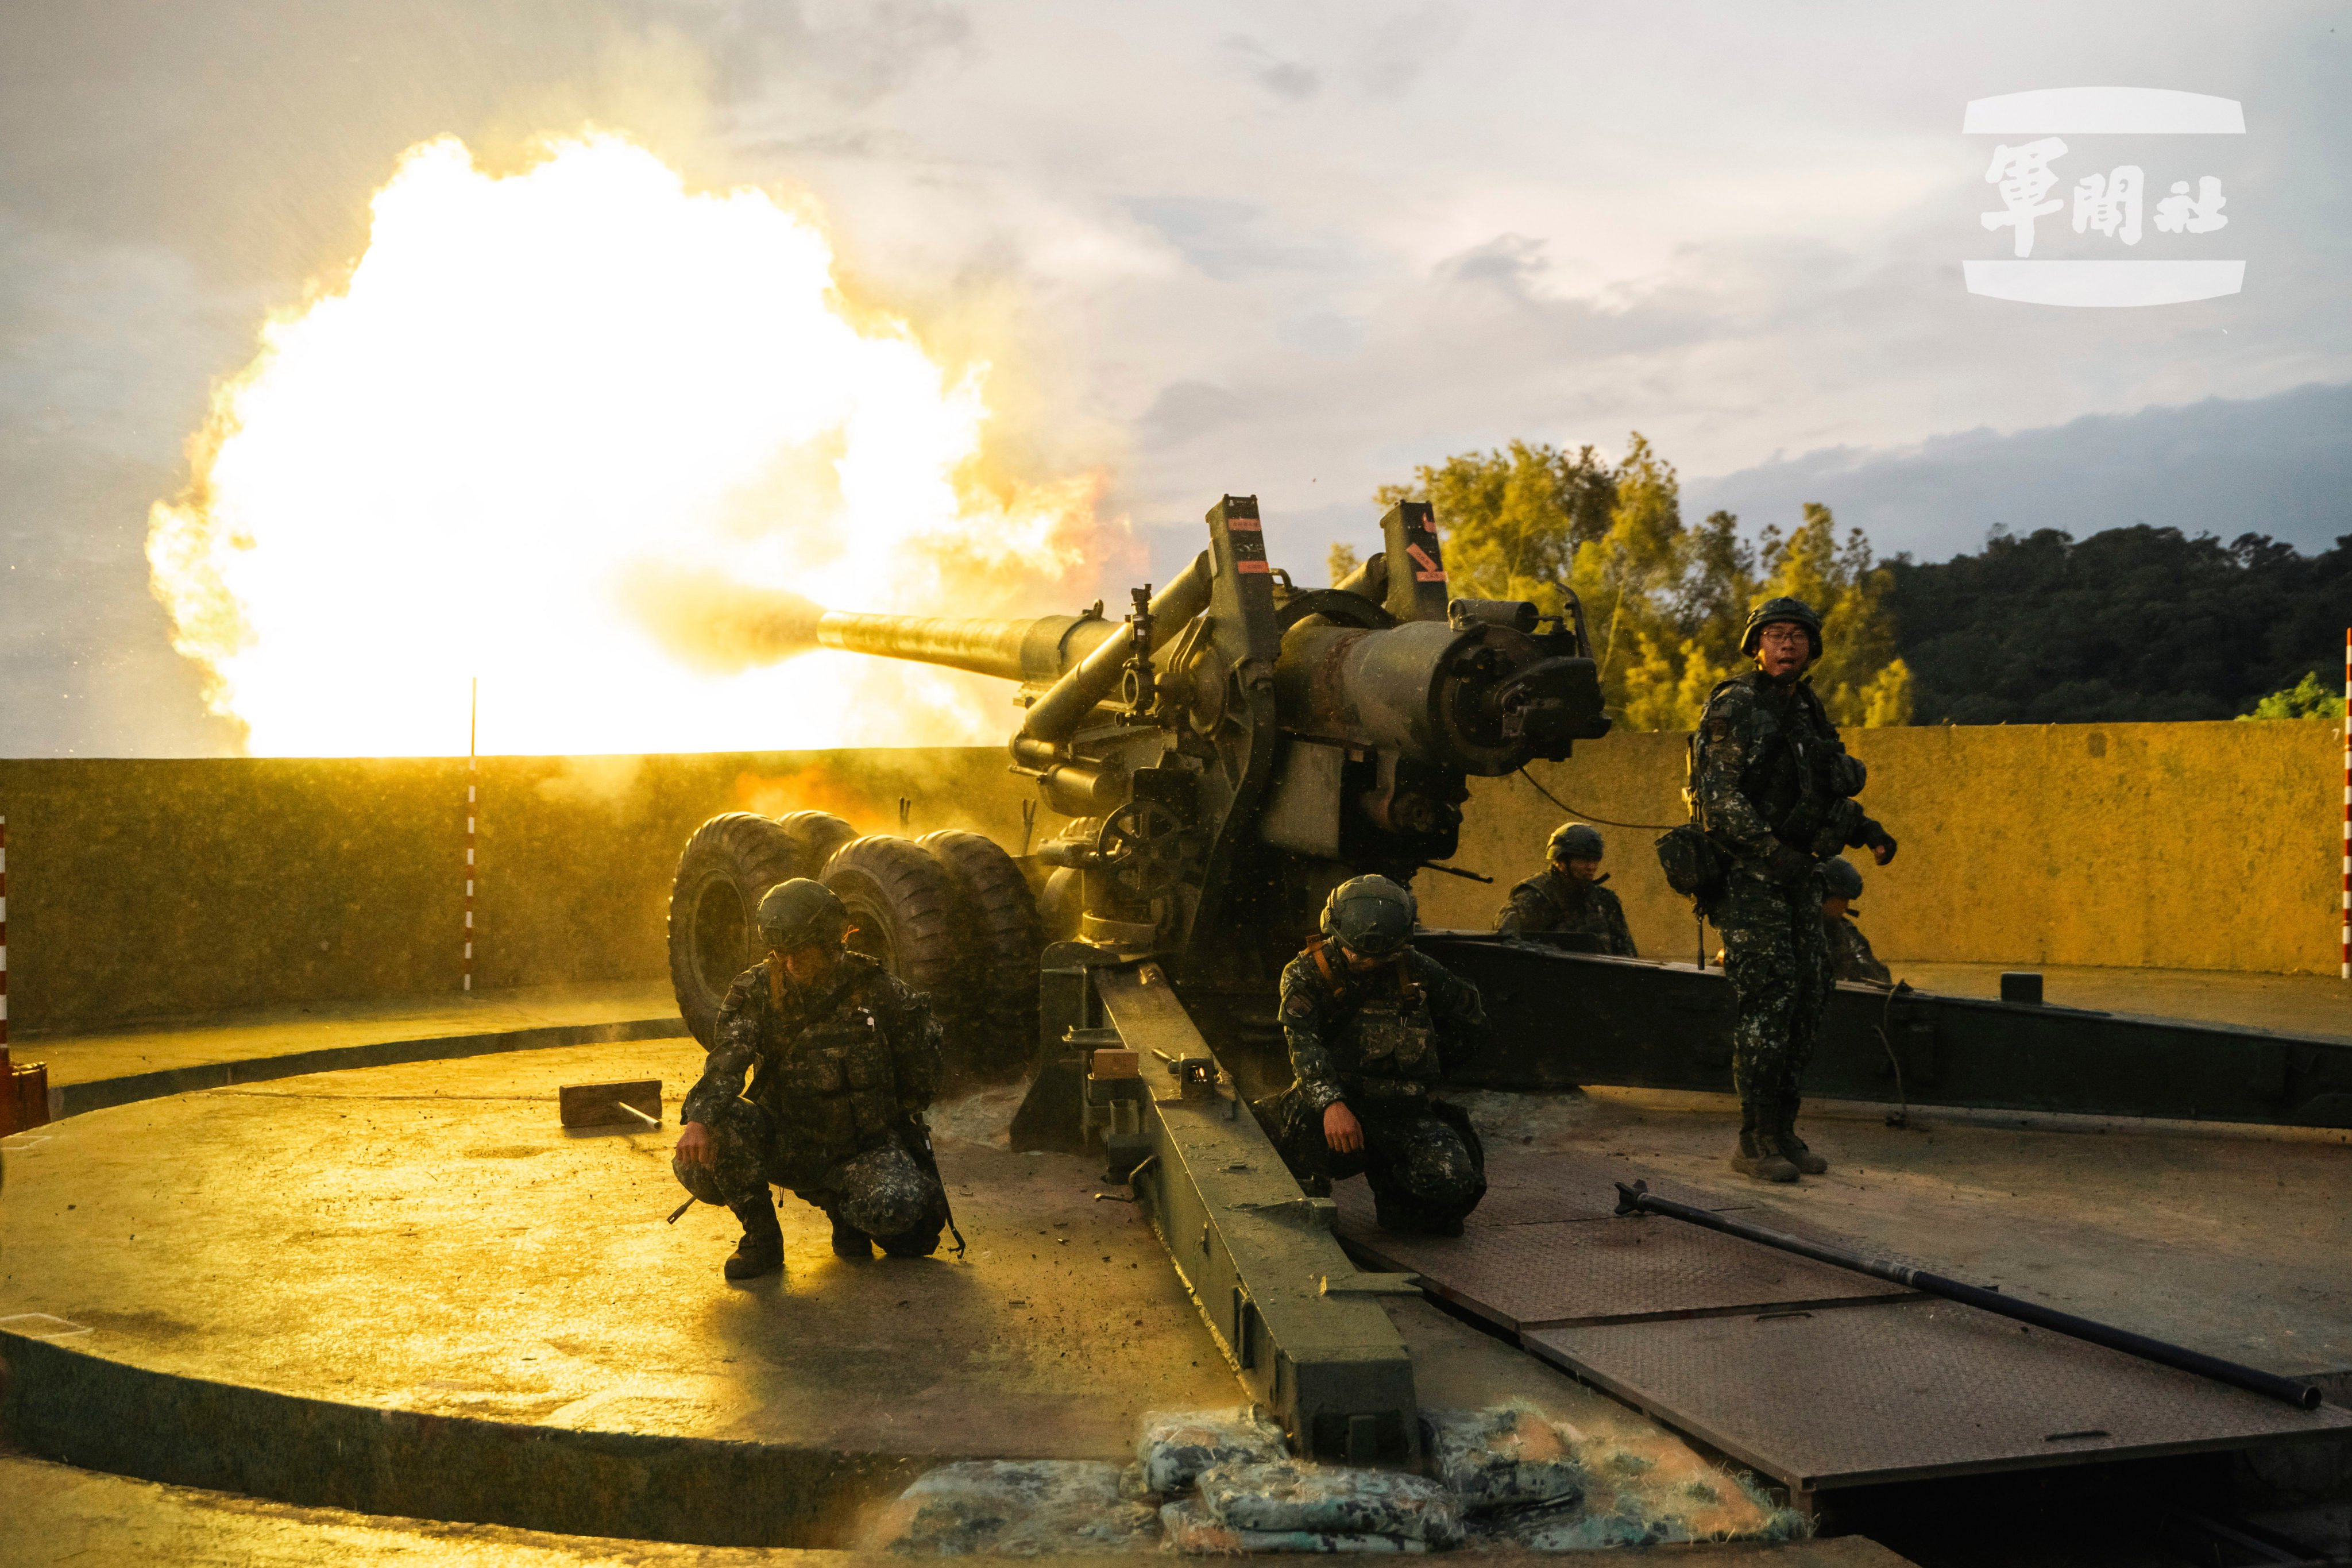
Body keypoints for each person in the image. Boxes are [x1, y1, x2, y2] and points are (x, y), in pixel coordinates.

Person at [1690, 596, 1897, 1183]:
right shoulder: (1736, 705)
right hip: (1752, 879)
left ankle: (1784, 1130)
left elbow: (1819, 790)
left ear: (1811, 649)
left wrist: (1866, 831)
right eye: (1776, 635)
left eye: (1797, 637)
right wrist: (1768, 852)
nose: (1786, 645)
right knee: (1769, 1002)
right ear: (1757, 646)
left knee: (1809, 996)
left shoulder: (1807, 708)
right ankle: (1753, 1141)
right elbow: (1718, 798)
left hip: (1799, 876)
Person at [673, 879, 948, 1279]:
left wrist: (897, 1134)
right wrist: (698, 1121)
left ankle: (845, 1210)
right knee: (706, 1150)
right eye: (779, 953)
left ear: (832, 941)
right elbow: (726, 1063)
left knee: (906, 1223)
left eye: (798, 952)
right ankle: (762, 1240)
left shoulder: (878, 990)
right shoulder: (757, 992)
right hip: (787, 1142)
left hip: (860, 1149)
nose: (788, 964)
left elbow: (923, 1066)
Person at [1261, 875, 1490, 1235]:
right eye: (1358, 954)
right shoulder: (1307, 972)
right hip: (1339, 1106)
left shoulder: (1418, 970)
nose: (1368, 962)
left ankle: (1394, 1188)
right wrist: (1332, 1103)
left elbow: (1468, 1024)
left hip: (1404, 1113)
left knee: (1450, 1189)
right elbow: (1303, 1043)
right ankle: (1310, 1173)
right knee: (1265, 1145)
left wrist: (1428, 1078)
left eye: (1381, 956)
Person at [1494, 822, 1638, 956]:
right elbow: (1506, 940)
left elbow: (1627, 955)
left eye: (1595, 860)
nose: (1591, 867)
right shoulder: (1537, 896)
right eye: (1583, 860)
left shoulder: (1605, 901)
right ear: (1561, 861)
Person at [1820, 856, 1892, 987]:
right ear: (1823, 894)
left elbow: (1875, 975)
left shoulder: (1843, 930)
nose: (1846, 907)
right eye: (1842, 899)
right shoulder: (1794, 928)